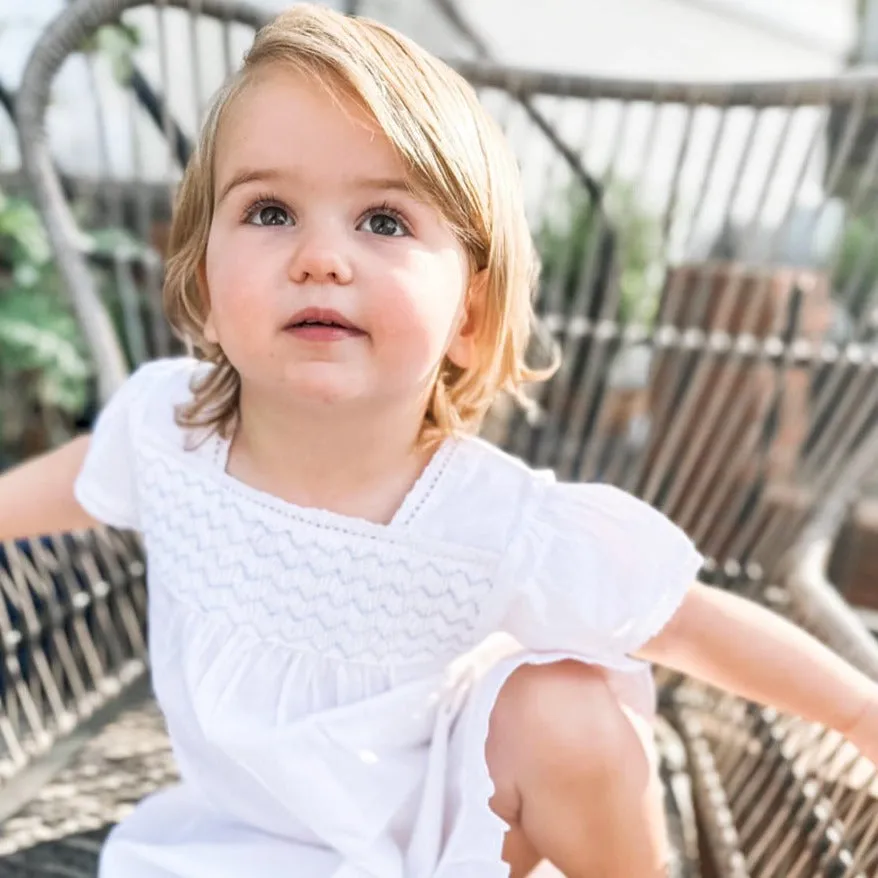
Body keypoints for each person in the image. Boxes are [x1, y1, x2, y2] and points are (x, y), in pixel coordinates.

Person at [4, 5, 878, 877]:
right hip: (235, 840)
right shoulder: (166, 430)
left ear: (469, 316)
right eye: (269, 211)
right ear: (204, 279)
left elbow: (688, 624)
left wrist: (859, 719)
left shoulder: (492, 518)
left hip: (443, 838)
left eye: (383, 222)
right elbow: (40, 496)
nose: (319, 257)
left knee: (566, 712)